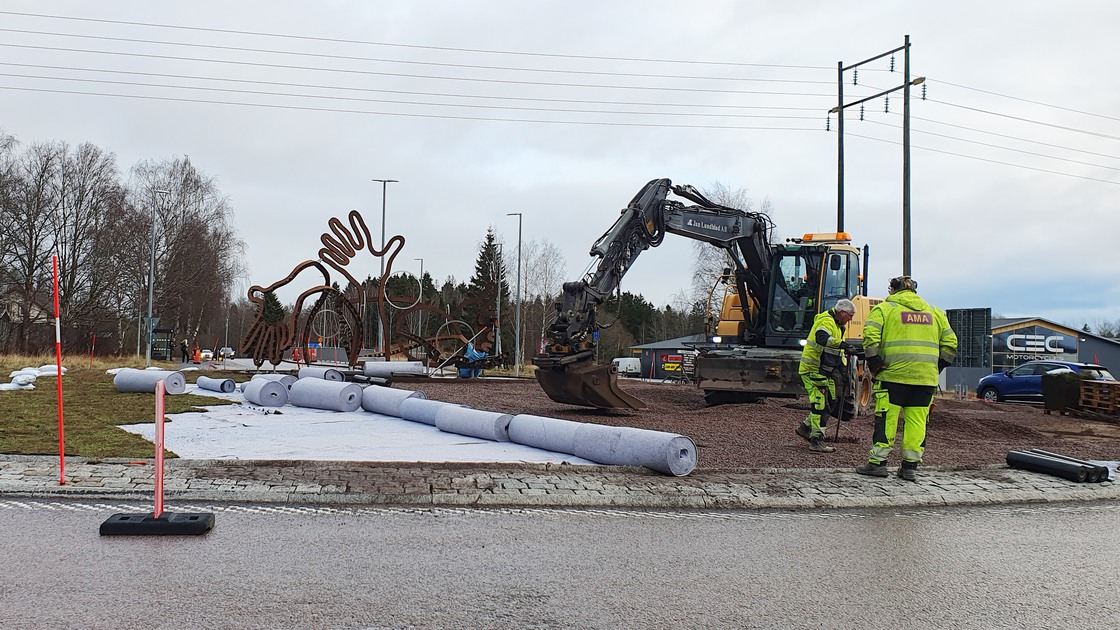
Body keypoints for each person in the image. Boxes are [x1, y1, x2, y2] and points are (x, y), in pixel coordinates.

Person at [855, 276, 957, 481]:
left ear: (892, 290)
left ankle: (878, 464)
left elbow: (870, 337)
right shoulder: (935, 312)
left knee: (887, 419)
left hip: (893, 376)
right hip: (925, 380)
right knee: (918, 422)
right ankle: (909, 467)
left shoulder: (884, 309)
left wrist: (874, 365)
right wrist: (935, 368)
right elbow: (950, 344)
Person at [795, 298, 857, 453]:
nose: (851, 319)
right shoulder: (826, 321)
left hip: (824, 371)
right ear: (842, 313)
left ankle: (805, 427)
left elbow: (837, 352)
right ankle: (816, 440)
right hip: (813, 369)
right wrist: (843, 345)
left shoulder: (839, 326)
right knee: (820, 404)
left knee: (830, 400)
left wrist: (843, 371)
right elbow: (822, 338)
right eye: (850, 315)